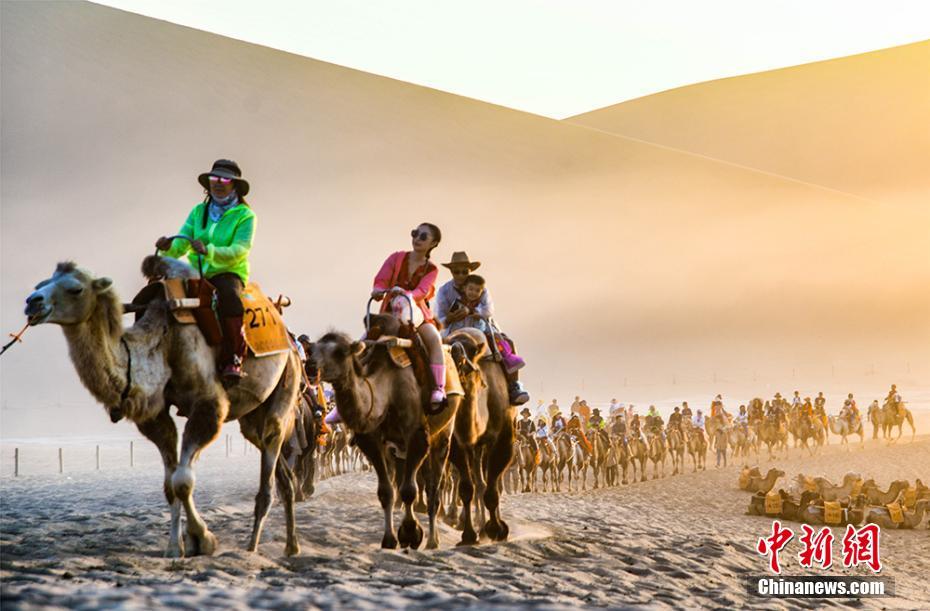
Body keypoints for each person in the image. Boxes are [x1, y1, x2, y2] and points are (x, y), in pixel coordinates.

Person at [157, 159, 256, 380]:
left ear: (235, 185)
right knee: (161, 292)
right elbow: (181, 243)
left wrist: (208, 250)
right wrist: (167, 248)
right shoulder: (198, 212)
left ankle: (233, 358)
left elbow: (240, 249)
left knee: (229, 298)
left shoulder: (245, 216)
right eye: (214, 178)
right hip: (195, 272)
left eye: (225, 180)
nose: (218, 183)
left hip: (228, 272)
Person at [371, 223, 447, 406]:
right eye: (415, 233)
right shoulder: (396, 258)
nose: (417, 239)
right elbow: (381, 279)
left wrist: (406, 294)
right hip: (390, 313)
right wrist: (378, 290)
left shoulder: (431, 269)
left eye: (423, 236)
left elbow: (423, 290)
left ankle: (439, 387)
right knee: (365, 342)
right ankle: (348, 397)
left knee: (434, 338)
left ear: (433, 243)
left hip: (417, 314)